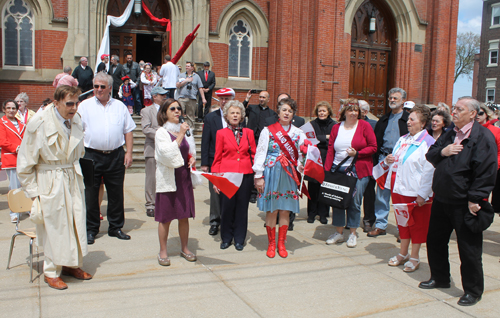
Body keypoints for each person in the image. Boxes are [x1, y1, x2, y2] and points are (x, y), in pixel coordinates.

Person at [420, 97, 498, 306]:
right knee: (435, 241)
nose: (453, 112)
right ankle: (440, 277)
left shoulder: (483, 137)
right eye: (454, 108)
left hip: (464, 202)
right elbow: (432, 154)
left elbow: (486, 171)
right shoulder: (449, 133)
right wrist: (444, 151)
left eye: (459, 109)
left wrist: (476, 198)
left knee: (469, 249)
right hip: (442, 198)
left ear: (473, 113)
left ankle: (472, 290)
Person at [17, 85, 92, 290]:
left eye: (76, 103)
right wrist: (34, 194)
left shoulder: (76, 120)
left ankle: (71, 264)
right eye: (69, 103)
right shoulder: (38, 123)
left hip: (72, 176)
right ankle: (51, 272)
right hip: (49, 179)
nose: (74, 108)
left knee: (75, 222)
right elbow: (24, 164)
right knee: (54, 227)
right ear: (56, 102)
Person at [78, 72, 136, 245]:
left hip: (115, 155)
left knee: (116, 193)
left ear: (110, 88)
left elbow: (129, 130)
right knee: (91, 193)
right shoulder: (84, 106)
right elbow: (76, 130)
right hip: (91, 155)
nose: (99, 89)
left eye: (102, 86)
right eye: (96, 86)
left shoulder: (120, 107)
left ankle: (115, 227)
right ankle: (91, 229)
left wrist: (129, 153)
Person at [384, 105, 435, 272]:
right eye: (409, 119)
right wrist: (389, 160)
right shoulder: (403, 138)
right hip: (398, 189)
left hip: (415, 191)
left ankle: (414, 257)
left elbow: (430, 171)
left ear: (423, 123)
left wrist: (423, 194)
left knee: (417, 225)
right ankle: (403, 253)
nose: (409, 122)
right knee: (403, 224)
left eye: (413, 119)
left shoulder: (428, 142)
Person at [253, 98, 306, 258]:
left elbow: (303, 155)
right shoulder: (268, 130)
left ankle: (281, 243)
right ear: (279, 111)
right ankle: (271, 243)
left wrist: (302, 164)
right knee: (272, 210)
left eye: (290, 111)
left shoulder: (299, 133)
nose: (287, 113)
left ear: (293, 114)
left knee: (285, 210)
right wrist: (258, 175)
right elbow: (260, 153)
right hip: (271, 173)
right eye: (284, 110)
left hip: (289, 175)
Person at [323, 99, 377, 248]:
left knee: (354, 202)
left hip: (358, 169)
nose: (353, 113)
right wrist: (327, 171)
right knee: (338, 200)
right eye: (350, 110)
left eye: (356, 110)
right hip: (338, 169)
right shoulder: (336, 127)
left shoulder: (364, 126)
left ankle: (352, 233)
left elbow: (373, 147)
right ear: (344, 112)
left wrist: (358, 153)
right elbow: (330, 150)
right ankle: (339, 232)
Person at [155, 98, 197, 266]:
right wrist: (180, 134)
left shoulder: (187, 130)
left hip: (184, 179)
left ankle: (185, 248)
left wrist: (192, 158)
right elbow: (166, 154)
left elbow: (189, 150)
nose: (177, 111)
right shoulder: (161, 133)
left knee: (184, 216)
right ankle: (163, 251)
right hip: (168, 179)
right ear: (165, 113)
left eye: (179, 108)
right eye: (172, 109)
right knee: (165, 217)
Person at [211, 101, 256, 251]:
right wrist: (216, 179)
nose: (235, 115)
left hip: (245, 175)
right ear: (226, 115)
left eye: (238, 113)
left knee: (242, 208)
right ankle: (226, 237)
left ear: (242, 115)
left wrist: (257, 175)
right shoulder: (221, 133)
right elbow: (217, 157)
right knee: (227, 207)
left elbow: (254, 154)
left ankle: (239, 238)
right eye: (232, 112)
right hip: (227, 175)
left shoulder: (249, 132)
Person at [367, 87, 409, 237]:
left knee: (400, 196)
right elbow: (376, 143)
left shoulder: (409, 120)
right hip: (384, 160)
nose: (391, 100)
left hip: (402, 162)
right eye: (390, 98)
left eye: (395, 98)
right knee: (381, 195)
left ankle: (402, 229)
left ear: (403, 101)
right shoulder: (383, 119)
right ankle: (380, 225)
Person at [201, 88, 234, 236]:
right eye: (221, 98)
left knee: (231, 192)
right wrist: (204, 163)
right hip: (215, 161)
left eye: (227, 98)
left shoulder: (237, 117)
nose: (224, 101)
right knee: (215, 194)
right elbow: (205, 141)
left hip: (233, 161)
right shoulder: (210, 118)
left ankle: (229, 220)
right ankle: (215, 221)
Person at [243, 90, 277, 204]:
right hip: (251, 140)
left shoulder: (272, 114)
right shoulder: (252, 108)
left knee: (261, 166)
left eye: (264, 97)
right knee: (252, 166)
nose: (261, 99)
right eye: (260, 97)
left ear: (268, 99)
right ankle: (252, 193)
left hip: (264, 143)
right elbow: (241, 111)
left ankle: (260, 191)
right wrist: (247, 99)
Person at [306, 101, 336, 224]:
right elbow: (310, 139)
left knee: (325, 187)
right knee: (313, 187)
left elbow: (334, 139)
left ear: (328, 112)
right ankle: (311, 214)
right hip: (314, 158)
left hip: (328, 158)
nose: (321, 113)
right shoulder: (311, 124)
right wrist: (326, 137)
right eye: (319, 111)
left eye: (324, 110)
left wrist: (320, 138)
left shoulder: (334, 125)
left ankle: (323, 214)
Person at [141, 87, 167, 217]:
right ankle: (150, 204)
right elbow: (146, 129)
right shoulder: (146, 111)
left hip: (166, 149)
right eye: (162, 95)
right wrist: (163, 134)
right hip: (152, 148)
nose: (164, 97)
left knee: (164, 176)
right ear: (154, 96)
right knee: (151, 178)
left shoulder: (168, 110)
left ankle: (163, 202)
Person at [0, 100, 25, 223]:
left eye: (13, 108)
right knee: (14, 186)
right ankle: (14, 212)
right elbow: (2, 141)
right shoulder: (1, 122)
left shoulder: (20, 123)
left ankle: (25, 206)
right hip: (11, 157)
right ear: (4, 109)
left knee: (25, 184)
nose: (11, 110)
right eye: (8, 108)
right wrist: (17, 148)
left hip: (23, 158)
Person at [475, 103, 500, 213]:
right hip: (475, 170)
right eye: (475, 113)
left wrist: (494, 167)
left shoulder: (496, 131)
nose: (477, 116)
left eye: (480, 113)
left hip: (492, 170)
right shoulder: (470, 130)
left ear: (486, 115)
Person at [359, 100, 377, 232]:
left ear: (365, 112)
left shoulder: (374, 125)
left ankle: (368, 220)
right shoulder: (348, 124)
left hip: (369, 164)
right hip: (352, 164)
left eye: (357, 109)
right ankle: (350, 219)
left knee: (369, 193)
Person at [177, 62, 206, 127]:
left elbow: (200, 88)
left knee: (190, 116)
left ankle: (190, 130)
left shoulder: (197, 76)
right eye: (186, 66)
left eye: (188, 66)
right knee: (179, 113)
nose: (186, 67)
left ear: (192, 68)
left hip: (192, 98)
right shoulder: (181, 75)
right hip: (182, 98)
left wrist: (203, 98)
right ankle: (179, 128)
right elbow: (177, 85)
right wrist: (186, 81)